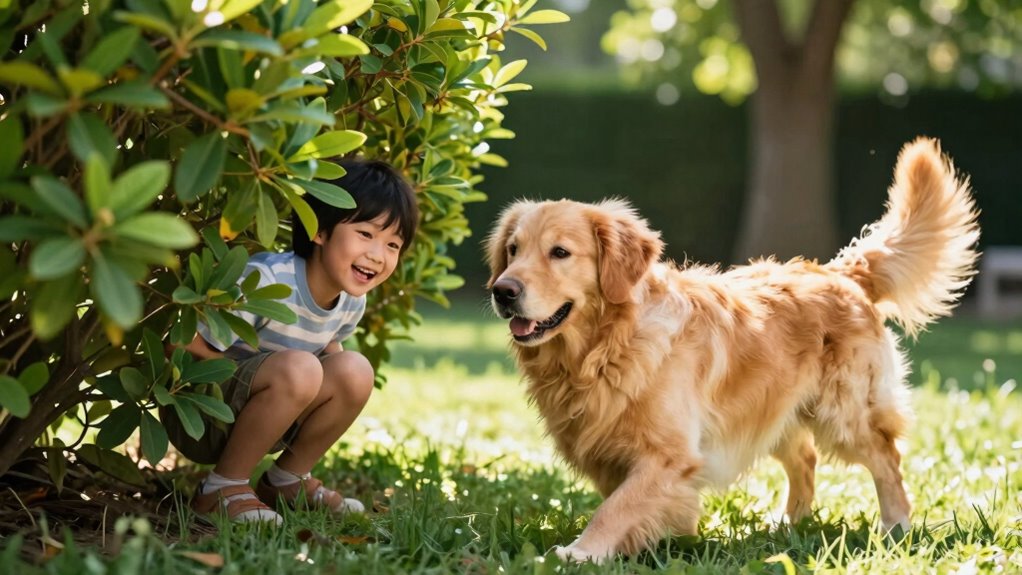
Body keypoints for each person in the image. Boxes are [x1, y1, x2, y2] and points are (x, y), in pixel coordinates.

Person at [166, 159, 418, 523]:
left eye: (393, 244)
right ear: (320, 230)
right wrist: (269, 380)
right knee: (301, 367)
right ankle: (220, 487)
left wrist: (318, 392)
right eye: (366, 234)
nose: (378, 255)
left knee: (355, 369)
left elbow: (329, 355)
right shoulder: (269, 281)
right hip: (203, 416)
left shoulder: (351, 301)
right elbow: (182, 345)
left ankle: (285, 480)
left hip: (266, 412)